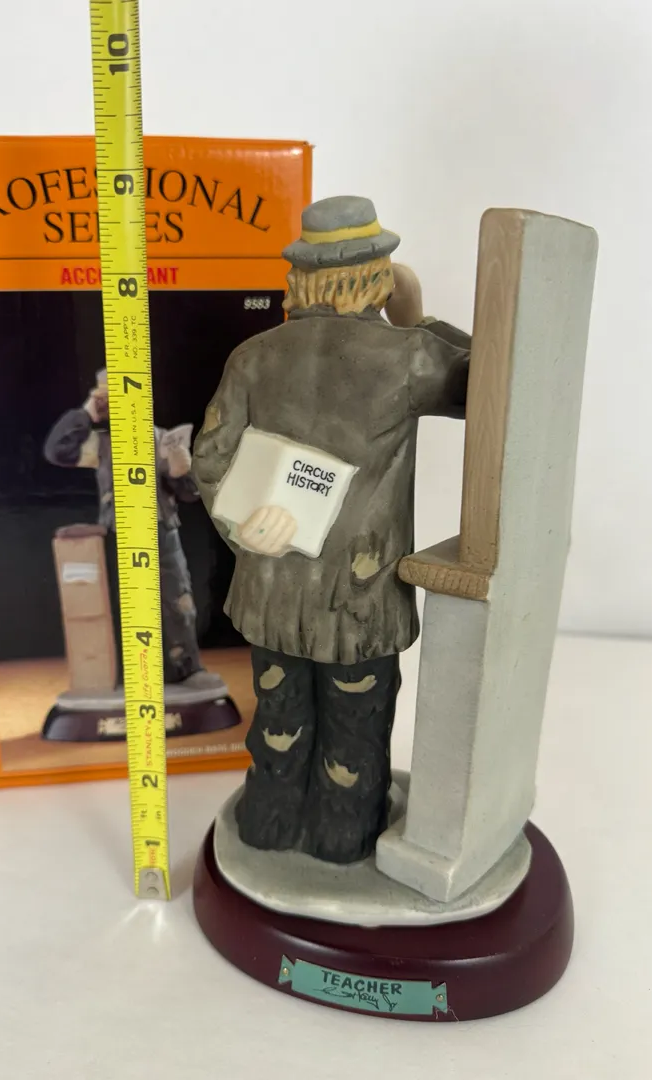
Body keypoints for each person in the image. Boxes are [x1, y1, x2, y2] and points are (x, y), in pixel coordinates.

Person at [192, 195, 471, 864]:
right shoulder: (409, 356)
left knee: (279, 718)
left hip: (270, 590)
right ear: (378, 275)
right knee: (353, 727)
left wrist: (243, 527)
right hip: (358, 595)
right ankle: (342, 838)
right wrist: (416, 311)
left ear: (300, 277)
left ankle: (269, 822)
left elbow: (209, 459)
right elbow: (490, 386)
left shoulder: (253, 355)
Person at [44, 369, 204, 686]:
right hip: (118, 534)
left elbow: (190, 493)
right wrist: (87, 414)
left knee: (178, 602)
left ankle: (185, 668)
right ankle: (125, 674)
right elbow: (58, 451)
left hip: (161, 531)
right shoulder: (100, 444)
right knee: (120, 606)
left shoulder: (163, 439)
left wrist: (181, 472)